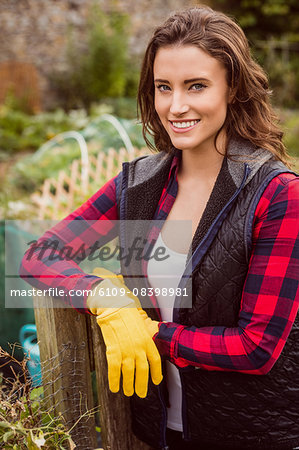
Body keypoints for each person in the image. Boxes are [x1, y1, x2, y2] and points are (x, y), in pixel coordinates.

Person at [20, 6, 299, 450]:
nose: (176, 106)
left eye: (197, 86)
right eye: (163, 87)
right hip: (154, 433)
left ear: (234, 89)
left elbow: (257, 347)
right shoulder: (140, 185)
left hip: (247, 434)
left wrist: (151, 333)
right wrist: (107, 298)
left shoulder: (277, 195)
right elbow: (39, 255)